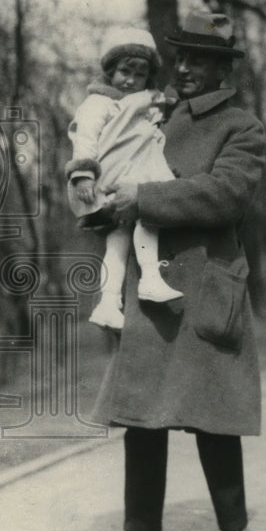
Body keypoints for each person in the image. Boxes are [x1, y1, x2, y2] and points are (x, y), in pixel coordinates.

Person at [89, 10, 265, 531]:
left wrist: (142, 199)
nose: (186, 68)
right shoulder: (153, 112)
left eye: (201, 60)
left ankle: (235, 529)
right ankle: (140, 529)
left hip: (208, 279)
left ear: (222, 69)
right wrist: (99, 200)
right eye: (182, 57)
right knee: (142, 412)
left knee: (215, 415)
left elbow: (225, 195)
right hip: (151, 282)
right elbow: (111, 159)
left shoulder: (242, 126)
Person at [66, 27, 183, 330]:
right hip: (117, 172)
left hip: (137, 170)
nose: (130, 80)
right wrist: (83, 174)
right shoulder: (98, 103)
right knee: (135, 226)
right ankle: (143, 282)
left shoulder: (145, 100)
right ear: (110, 71)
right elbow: (85, 138)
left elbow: (160, 109)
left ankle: (113, 299)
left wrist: (167, 104)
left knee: (125, 237)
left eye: (139, 74)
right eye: (124, 71)